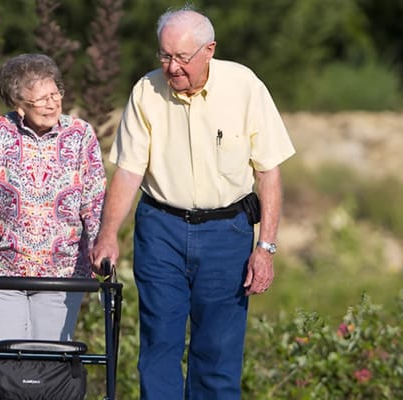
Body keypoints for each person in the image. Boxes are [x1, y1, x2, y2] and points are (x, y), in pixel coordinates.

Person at [90, 6, 295, 399]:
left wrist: (265, 247)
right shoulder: (146, 91)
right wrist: (108, 235)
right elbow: (129, 171)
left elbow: (268, 171)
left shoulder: (245, 86)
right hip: (161, 230)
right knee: (159, 345)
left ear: (209, 50)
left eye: (182, 58)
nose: (172, 68)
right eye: (165, 56)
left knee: (217, 354)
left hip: (227, 231)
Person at [0, 53, 105, 349]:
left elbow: (94, 201)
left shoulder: (81, 135)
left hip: (61, 271)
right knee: (2, 362)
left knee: (49, 365)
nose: (52, 103)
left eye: (55, 94)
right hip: (0, 269)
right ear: (18, 105)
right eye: (41, 99)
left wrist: (100, 245)